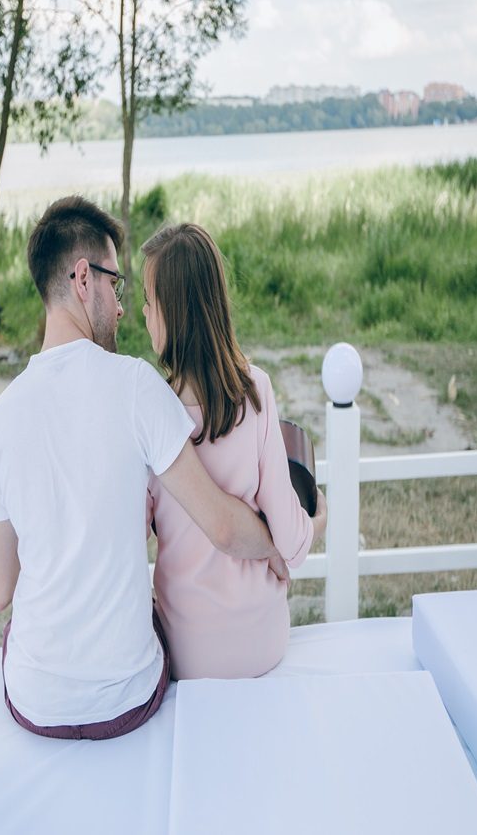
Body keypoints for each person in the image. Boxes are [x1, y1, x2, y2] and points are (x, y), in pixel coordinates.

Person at [0, 196, 286, 741]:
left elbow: (0, 591)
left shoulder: (0, 419)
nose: (123, 308)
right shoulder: (138, 386)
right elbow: (218, 523)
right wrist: (275, 546)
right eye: (116, 286)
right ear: (82, 278)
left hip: (35, 703)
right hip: (128, 700)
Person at [142, 223, 327, 680]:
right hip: (263, 640)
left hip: (187, 652)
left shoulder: (150, 412)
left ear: (171, 315)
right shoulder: (256, 391)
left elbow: (131, 537)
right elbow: (290, 540)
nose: (143, 314)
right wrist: (320, 518)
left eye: (148, 302)